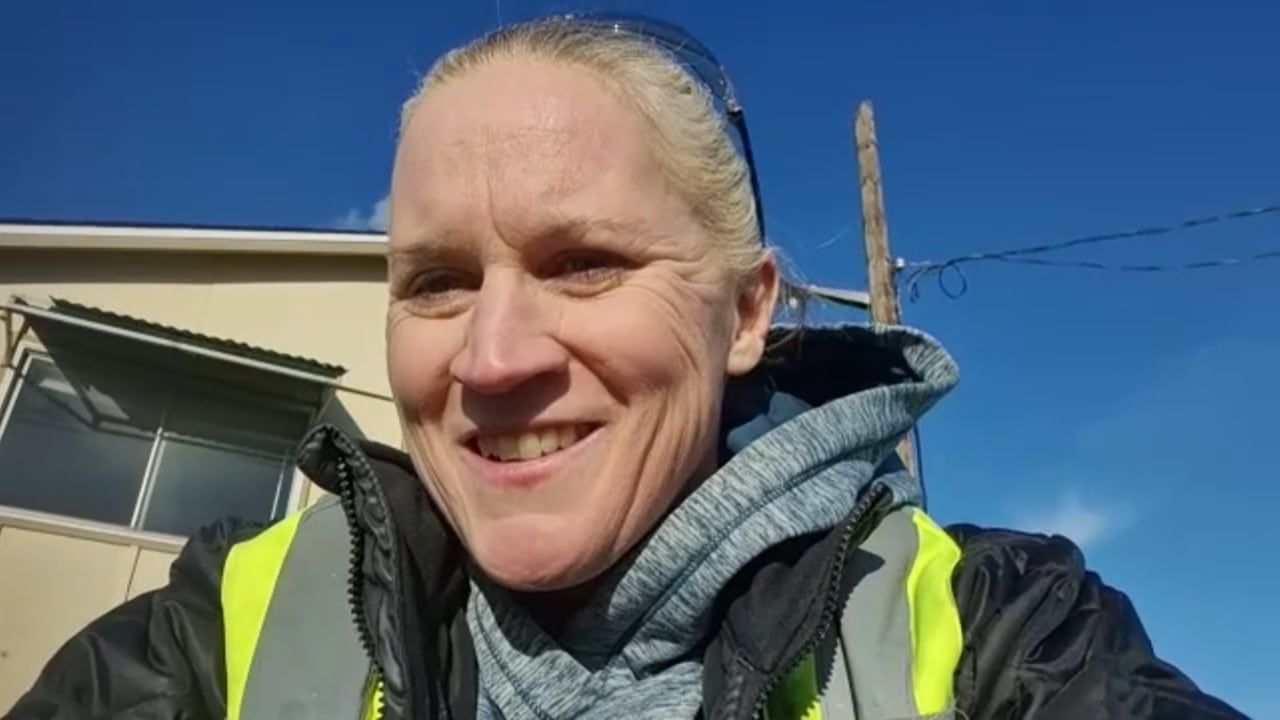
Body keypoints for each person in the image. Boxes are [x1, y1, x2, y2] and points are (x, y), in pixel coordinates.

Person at [7, 14, 1245, 720]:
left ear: (747, 312)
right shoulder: (216, 635)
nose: (492, 359)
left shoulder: (1001, 642)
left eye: (585, 263)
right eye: (437, 282)